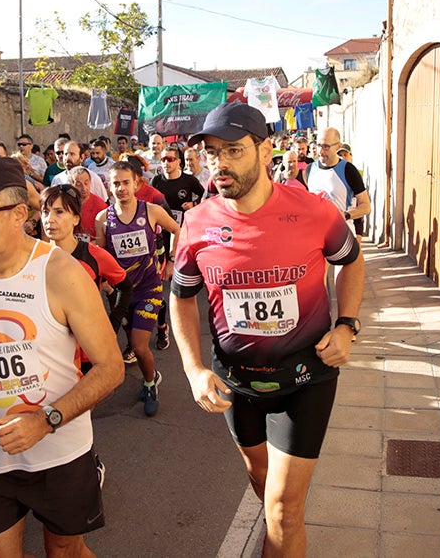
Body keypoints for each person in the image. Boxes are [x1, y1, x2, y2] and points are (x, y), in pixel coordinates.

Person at [169, 102, 365, 557]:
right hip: (237, 383)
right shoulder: (197, 223)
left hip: (306, 376)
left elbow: (351, 261)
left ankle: (283, 530)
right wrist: (195, 368)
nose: (220, 163)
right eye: (212, 152)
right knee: (263, 487)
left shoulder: (314, 212)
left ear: (264, 149)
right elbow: (181, 298)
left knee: (280, 510)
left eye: (233, 150)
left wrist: (347, 326)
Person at [0, 154, 123, 558]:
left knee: (66, 553)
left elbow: (110, 369)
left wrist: (46, 420)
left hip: (60, 455)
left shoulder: (62, 275)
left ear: (20, 213)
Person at [96, 160, 180, 416]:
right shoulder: (103, 218)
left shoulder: (150, 210)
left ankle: (151, 383)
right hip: (121, 292)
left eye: (125, 183)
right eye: (115, 183)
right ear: (109, 187)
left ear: (136, 184)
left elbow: (176, 229)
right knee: (130, 342)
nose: (121, 188)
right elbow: (101, 254)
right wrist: (107, 285)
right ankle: (149, 376)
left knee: (139, 346)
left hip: (148, 288)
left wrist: (171, 261)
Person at [40, 184, 132, 373]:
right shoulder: (33, 258)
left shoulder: (94, 255)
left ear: (75, 218)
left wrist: (112, 325)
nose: (50, 219)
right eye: (45, 212)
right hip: (49, 354)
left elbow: (125, 287)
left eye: (59, 212)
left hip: (87, 353)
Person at [151, 143, 205, 351]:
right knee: (162, 278)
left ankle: (186, 321)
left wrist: (193, 205)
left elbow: (203, 197)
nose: (166, 163)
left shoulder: (189, 180)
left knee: (181, 277)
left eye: (170, 159)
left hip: (184, 232)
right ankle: (165, 322)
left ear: (179, 161)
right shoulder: (157, 181)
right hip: (162, 234)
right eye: (163, 159)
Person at [306, 127, 371, 227]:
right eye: (319, 145)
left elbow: (366, 206)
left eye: (326, 147)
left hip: (342, 233)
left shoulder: (348, 170)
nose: (321, 151)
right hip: (317, 234)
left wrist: (345, 215)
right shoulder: (310, 169)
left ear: (338, 146)